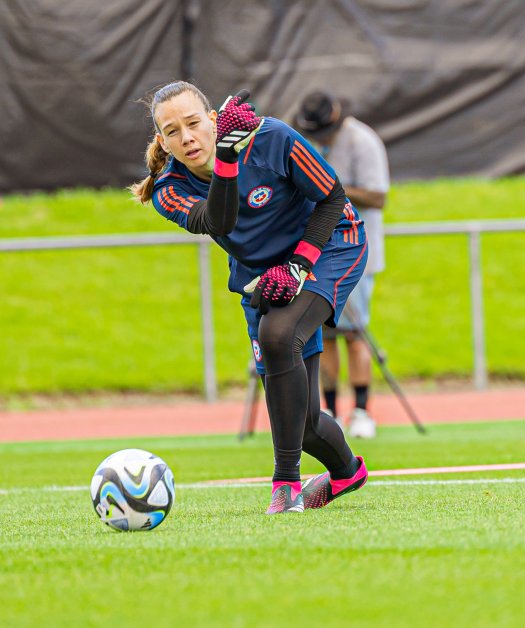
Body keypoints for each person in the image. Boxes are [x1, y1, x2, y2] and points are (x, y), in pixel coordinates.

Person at [129, 81, 369, 514]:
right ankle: (347, 471)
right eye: (172, 131)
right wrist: (226, 160)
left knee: (277, 334)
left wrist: (298, 265)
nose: (186, 137)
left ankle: (285, 486)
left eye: (194, 123)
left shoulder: (271, 136)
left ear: (213, 119)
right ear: (161, 141)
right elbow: (218, 220)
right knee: (304, 422)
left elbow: (333, 199)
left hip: (332, 244)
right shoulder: (168, 189)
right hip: (263, 278)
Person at [294, 90, 391, 439]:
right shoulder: (307, 142)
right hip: (319, 251)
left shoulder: (362, 141)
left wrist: (330, 189)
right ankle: (331, 410)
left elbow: (378, 196)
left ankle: (362, 410)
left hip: (357, 251)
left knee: (354, 332)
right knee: (326, 335)